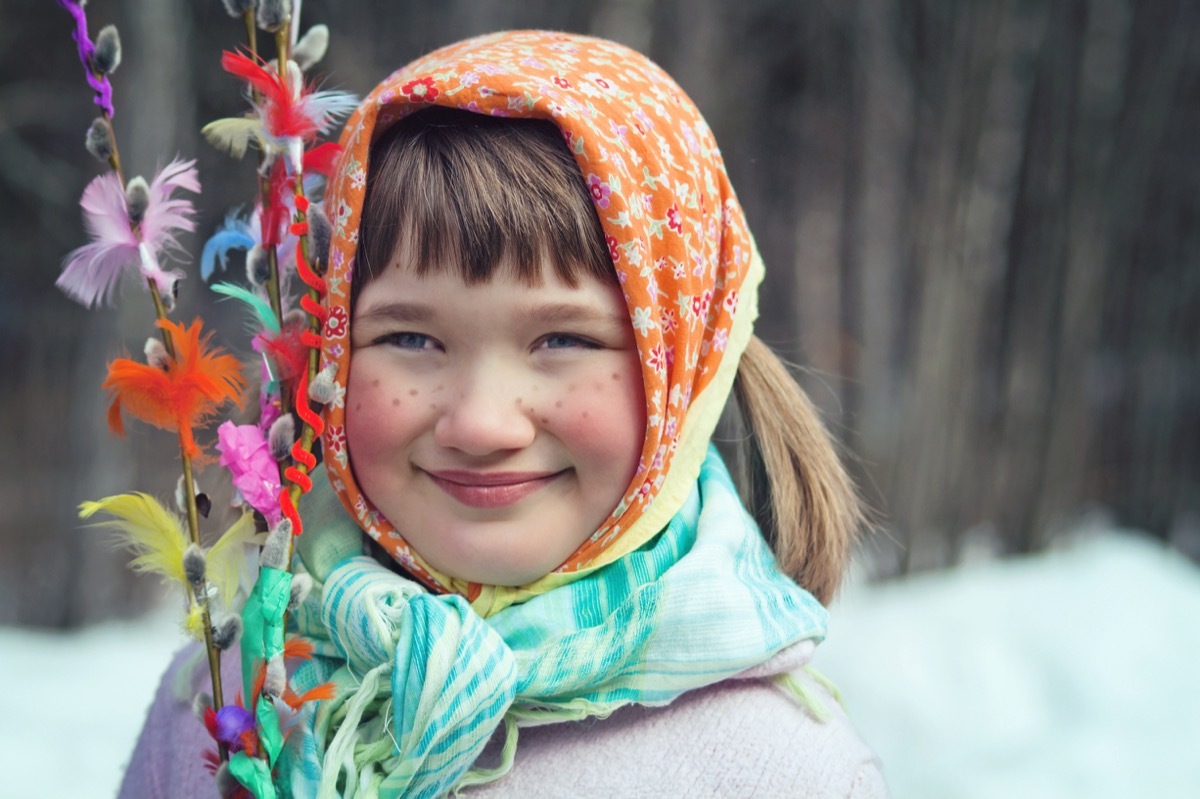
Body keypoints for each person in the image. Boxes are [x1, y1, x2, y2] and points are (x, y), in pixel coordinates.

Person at [120, 30, 888, 798]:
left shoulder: (776, 769)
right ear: (329, 354)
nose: (482, 425)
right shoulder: (222, 699)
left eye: (563, 338)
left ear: (682, 367)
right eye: (410, 337)